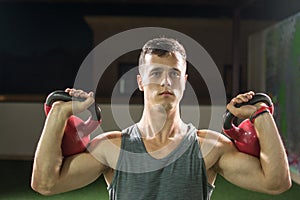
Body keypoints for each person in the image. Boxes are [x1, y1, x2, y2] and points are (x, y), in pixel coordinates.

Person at [31, 37, 291, 199]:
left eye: (175, 74)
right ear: (140, 81)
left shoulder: (208, 147)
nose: (166, 81)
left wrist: (261, 114)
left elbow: (276, 183)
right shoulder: (113, 147)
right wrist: (59, 112)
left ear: (184, 81)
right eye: (155, 73)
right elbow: (45, 184)